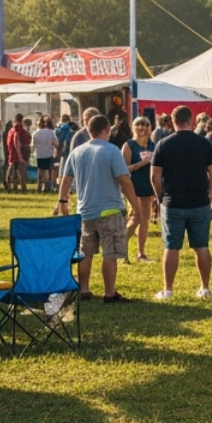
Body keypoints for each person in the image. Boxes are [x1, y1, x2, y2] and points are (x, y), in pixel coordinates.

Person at [56, 114, 140, 304]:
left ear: (88, 130)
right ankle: (109, 293)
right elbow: (123, 179)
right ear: (107, 130)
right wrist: (135, 205)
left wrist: (63, 201)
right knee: (110, 253)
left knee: (86, 252)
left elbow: (66, 179)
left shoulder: (77, 152)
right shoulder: (111, 150)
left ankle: (84, 289)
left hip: (84, 211)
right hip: (109, 209)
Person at [150, 105, 212, 300]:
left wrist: (160, 195)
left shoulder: (163, 144)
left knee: (171, 247)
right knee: (202, 246)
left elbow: (154, 175)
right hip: (199, 201)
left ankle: (168, 290)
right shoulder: (204, 144)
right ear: (192, 121)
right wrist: (211, 192)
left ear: (173, 122)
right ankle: (205, 288)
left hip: (173, 202)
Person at [122, 116, 157, 262]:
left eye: (146, 124)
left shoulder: (152, 145)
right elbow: (123, 169)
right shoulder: (129, 145)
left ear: (150, 128)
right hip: (133, 188)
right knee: (135, 218)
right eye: (138, 124)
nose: (142, 127)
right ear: (133, 127)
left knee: (144, 220)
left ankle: (141, 253)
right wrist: (141, 164)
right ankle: (120, 248)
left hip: (148, 188)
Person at [32, 115, 59, 193]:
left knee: (40, 169)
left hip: (40, 153)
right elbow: (56, 143)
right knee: (47, 170)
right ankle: (46, 186)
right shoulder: (51, 132)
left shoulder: (36, 132)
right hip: (48, 153)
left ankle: (39, 186)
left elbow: (33, 143)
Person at [5, 113, 30, 192]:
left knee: (12, 168)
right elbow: (16, 141)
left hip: (11, 150)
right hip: (16, 151)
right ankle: (23, 187)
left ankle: (10, 186)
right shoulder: (17, 128)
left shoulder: (11, 129)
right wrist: (20, 156)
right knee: (20, 169)